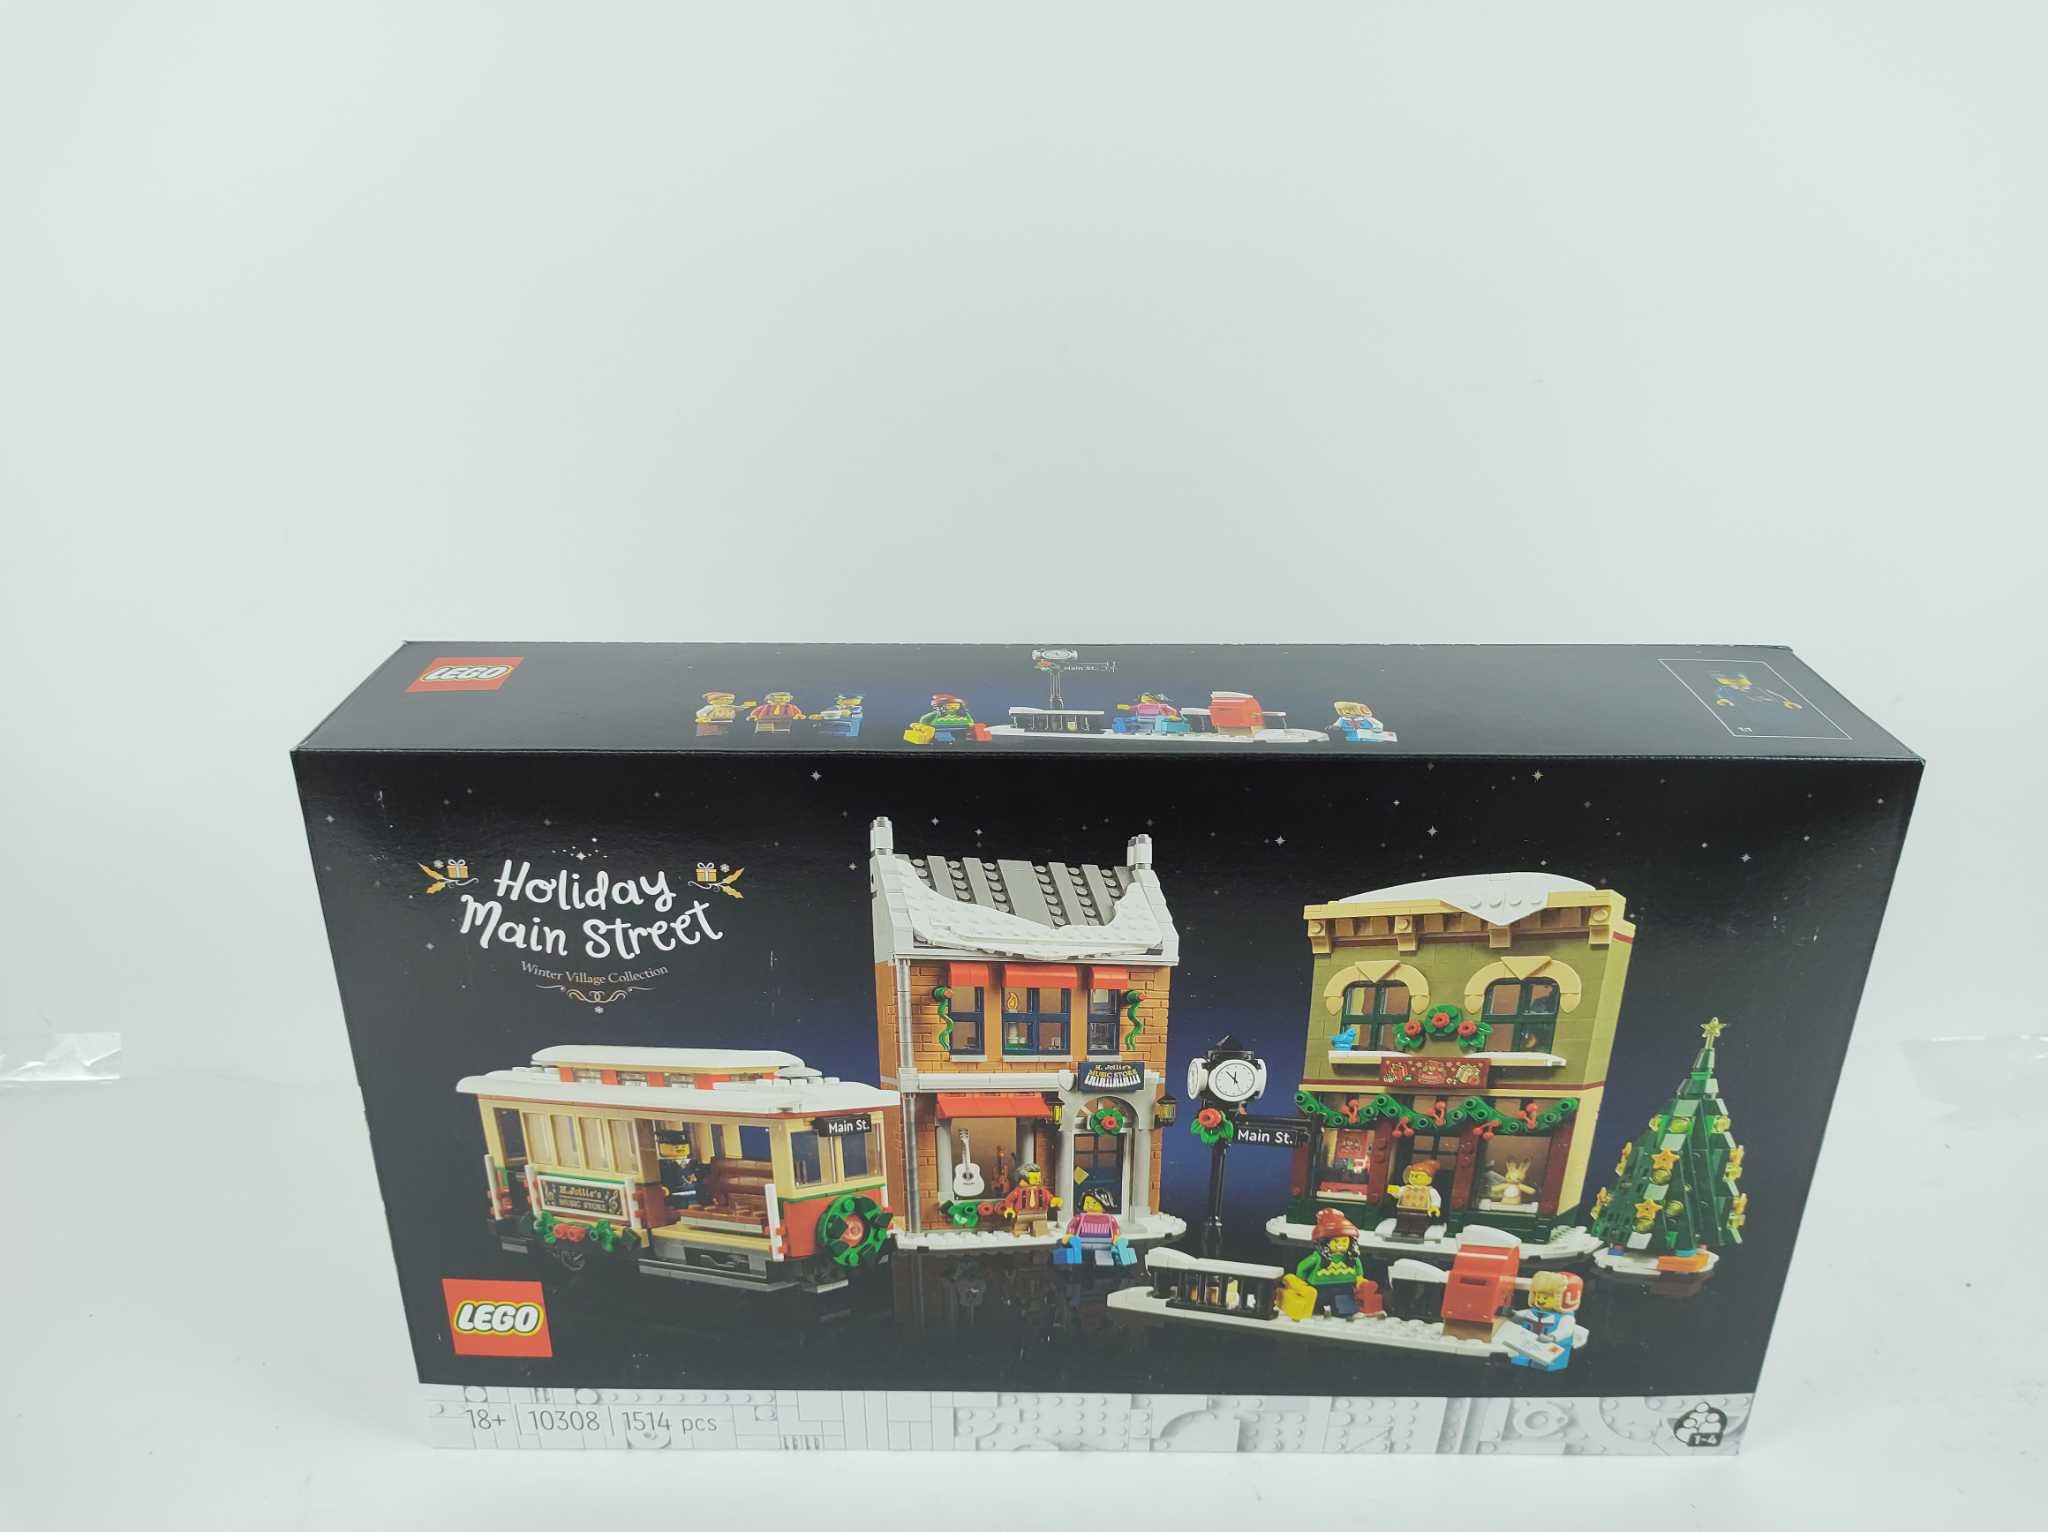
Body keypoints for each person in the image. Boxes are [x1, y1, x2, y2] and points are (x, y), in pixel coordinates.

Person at [1294, 1208, 1372, 1317]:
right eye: (1335, 1241)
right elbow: (1302, 1267)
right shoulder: (1318, 1258)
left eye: (1344, 1241)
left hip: (1345, 1285)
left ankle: (1345, 1312)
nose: (1340, 1245)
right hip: (1320, 1287)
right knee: (1318, 1302)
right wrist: (1300, 1281)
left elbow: (1359, 1271)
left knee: (1345, 1302)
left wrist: (1359, 1279)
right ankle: (1318, 1310)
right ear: (1324, 1243)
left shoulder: (1351, 1258)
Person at [1001, 1162, 1061, 1235]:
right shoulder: (1018, 1191)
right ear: (1023, 1178)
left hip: (1039, 1214)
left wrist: (1054, 1201)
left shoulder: (1042, 1191)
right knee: (1020, 1230)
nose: (1038, 1180)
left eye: (1038, 1177)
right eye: (1034, 1178)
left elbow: (1049, 1198)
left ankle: (1040, 1235)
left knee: (1041, 1231)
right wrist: (1009, 1208)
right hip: (1022, 1214)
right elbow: (1009, 1200)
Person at [1390, 1159, 1443, 1239]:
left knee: (1419, 1221)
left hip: (1422, 1210)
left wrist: (1435, 1207)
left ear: (1429, 1179)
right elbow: (1398, 1194)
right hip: (1404, 1208)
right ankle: (1400, 1230)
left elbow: (1436, 1198)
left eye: (1418, 1176)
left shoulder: (1430, 1190)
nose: (1414, 1178)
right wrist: (1395, 1191)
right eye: (1412, 1175)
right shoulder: (1406, 1188)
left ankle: (1417, 1231)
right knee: (1402, 1219)